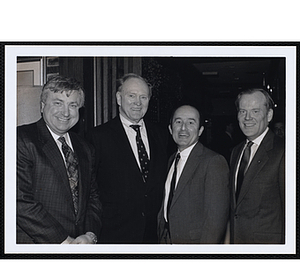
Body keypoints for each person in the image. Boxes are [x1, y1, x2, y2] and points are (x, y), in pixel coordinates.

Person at [17, 76, 102, 244]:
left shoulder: (85, 148)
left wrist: (90, 235)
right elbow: (19, 201)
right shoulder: (22, 140)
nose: (65, 112)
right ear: (42, 106)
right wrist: (64, 241)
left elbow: (93, 197)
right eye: (58, 103)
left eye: (73, 105)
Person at [90, 73, 167, 244]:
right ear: (119, 98)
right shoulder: (97, 137)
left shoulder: (162, 136)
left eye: (143, 97)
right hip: (113, 237)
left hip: (152, 238)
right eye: (131, 95)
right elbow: (90, 192)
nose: (137, 102)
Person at [157, 105, 230, 244]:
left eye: (191, 122)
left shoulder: (213, 162)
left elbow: (215, 221)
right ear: (170, 128)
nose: (183, 128)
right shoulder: (171, 159)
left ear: (200, 130)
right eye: (178, 122)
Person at [230, 88, 285, 244]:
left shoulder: (284, 152)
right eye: (242, 111)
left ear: (269, 115)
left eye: (255, 111)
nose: (248, 118)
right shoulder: (236, 152)